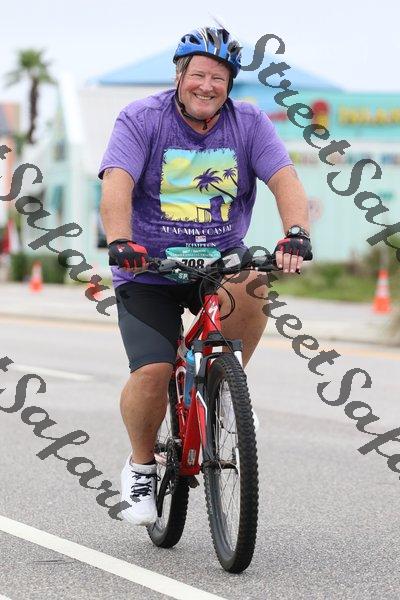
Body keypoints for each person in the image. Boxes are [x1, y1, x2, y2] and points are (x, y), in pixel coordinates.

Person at [99, 26, 312, 526]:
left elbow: (285, 180)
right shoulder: (141, 118)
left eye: (219, 78)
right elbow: (117, 184)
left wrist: (296, 233)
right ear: (180, 76)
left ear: (230, 84)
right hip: (148, 269)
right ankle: (141, 467)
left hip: (218, 262)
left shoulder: (249, 122)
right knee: (152, 372)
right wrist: (121, 240)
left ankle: (225, 392)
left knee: (253, 282)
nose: (207, 86)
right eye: (198, 75)